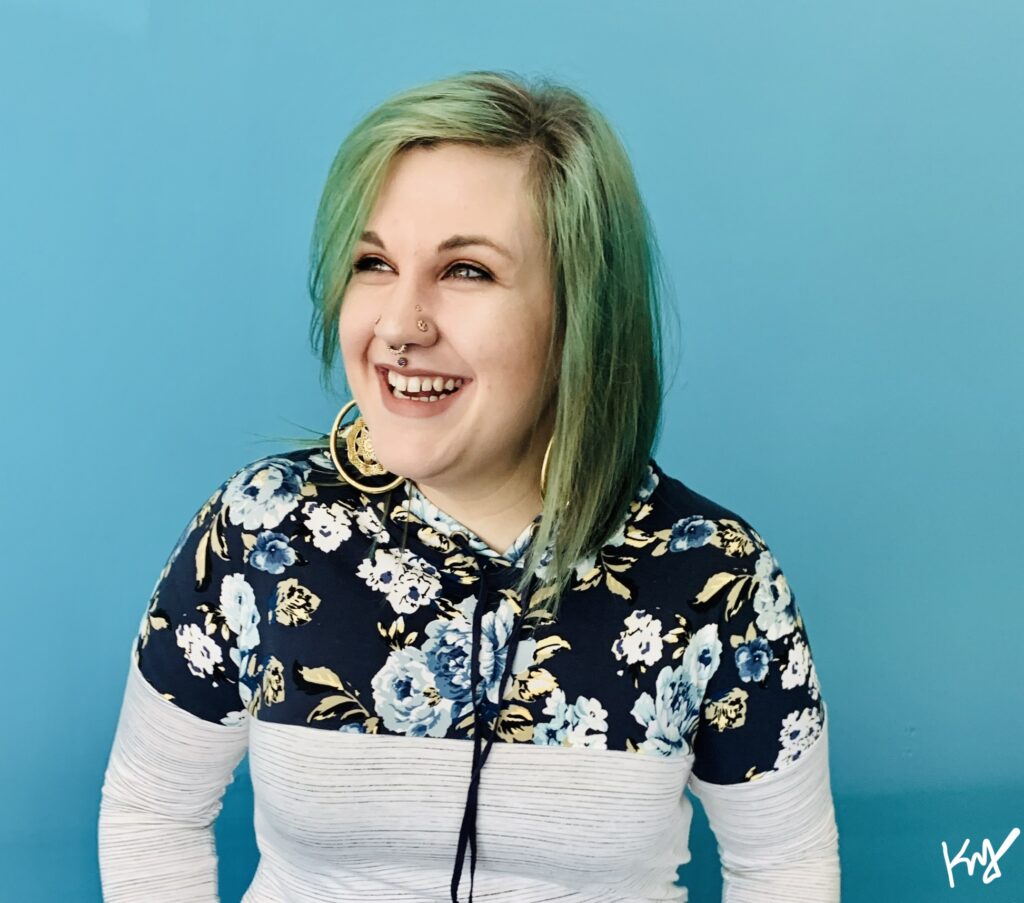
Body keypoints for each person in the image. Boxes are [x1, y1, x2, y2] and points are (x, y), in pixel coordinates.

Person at [98, 70, 840, 902]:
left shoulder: (717, 577)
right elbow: (149, 809)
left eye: (466, 272)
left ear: (579, 313)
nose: (400, 325)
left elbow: (785, 867)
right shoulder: (260, 531)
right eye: (373, 261)